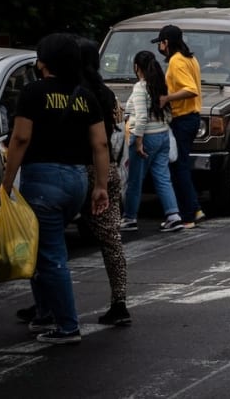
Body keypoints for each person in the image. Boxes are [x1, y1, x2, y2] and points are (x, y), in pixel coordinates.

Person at [0, 33, 110, 345]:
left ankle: (67, 326)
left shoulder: (32, 93)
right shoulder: (85, 96)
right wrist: (100, 186)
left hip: (44, 182)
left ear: (44, 61)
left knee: (51, 254)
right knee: (42, 246)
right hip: (77, 182)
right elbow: (100, 143)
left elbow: (20, 139)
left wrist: (5, 183)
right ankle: (44, 312)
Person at [75, 37, 131, 327]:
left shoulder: (75, 93)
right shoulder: (107, 94)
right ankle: (119, 302)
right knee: (112, 240)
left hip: (78, 170)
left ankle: (48, 304)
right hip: (108, 169)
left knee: (49, 237)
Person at [122, 51, 183, 235]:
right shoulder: (160, 85)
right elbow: (168, 114)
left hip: (145, 137)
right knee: (163, 178)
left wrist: (138, 141)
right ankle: (173, 216)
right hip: (163, 135)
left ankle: (130, 218)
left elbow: (141, 117)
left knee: (134, 180)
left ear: (136, 67)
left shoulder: (140, 88)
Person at [154, 25, 204, 227]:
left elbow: (190, 89)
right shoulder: (190, 58)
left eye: (160, 42)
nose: (160, 47)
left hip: (183, 118)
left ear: (166, 43)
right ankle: (195, 208)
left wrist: (166, 98)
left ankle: (188, 215)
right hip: (192, 117)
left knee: (179, 167)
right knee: (181, 165)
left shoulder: (176, 61)